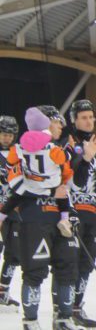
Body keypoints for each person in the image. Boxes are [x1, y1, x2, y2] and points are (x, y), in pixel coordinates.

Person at [3, 106, 77, 330]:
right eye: (56, 122)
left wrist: (70, 211)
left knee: (67, 268)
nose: (61, 127)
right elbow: (16, 186)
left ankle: (64, 318)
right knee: (35, 271)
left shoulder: (56, 151)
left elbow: (71, 186)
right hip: (34, 218)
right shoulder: (25, 153)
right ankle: (31, 321)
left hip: (60, 220)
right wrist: (49, 192)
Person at [64, 100, 96, 328]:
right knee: (70, 263)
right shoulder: (67, 144)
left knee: (87, 263)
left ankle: (77, 306)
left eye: (91, 117)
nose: (89, 121)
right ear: (74, 120)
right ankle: (65, 309)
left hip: (93, 215)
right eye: (84, 117)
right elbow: (67, 179)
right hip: (73, 213)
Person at [0, 114, 21, 309]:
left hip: (13, 209)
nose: (6, 137)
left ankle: (2, 290)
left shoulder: (19, 153)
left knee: (14, 252)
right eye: (3, 134)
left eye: (10, 134)